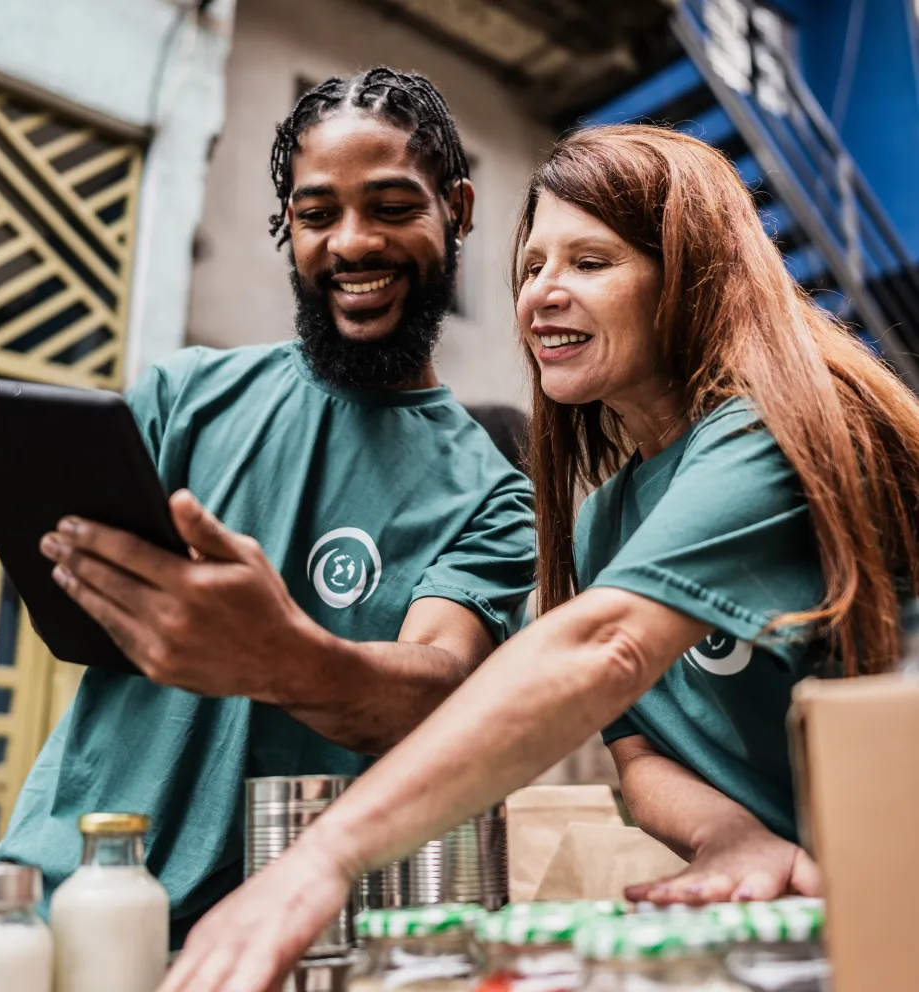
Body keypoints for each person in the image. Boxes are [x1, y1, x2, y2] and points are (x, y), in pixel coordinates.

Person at [156, 123, 919, 992]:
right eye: (531, 268)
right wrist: (725, 833)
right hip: (824, 929)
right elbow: (638, 754)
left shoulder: (774, 433)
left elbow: (606, 647)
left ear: (691, 278)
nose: (542, 295)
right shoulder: (599, 527)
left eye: (590, 263)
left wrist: (320, 859)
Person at [0, 67, 536, 947]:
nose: (352, 244)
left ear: (458, 211)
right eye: (318, 214)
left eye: (393, 206)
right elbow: (67, 598)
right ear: (287, 224)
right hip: (65, 907)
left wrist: (281, 657)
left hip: (265, 946)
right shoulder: (179, 397)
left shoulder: (494, 495)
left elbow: (441, 695)